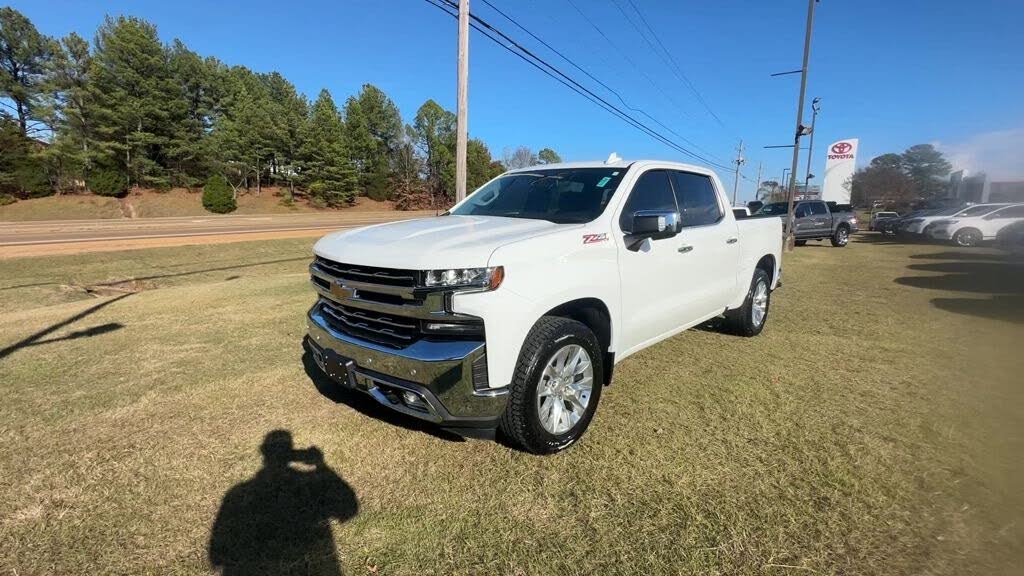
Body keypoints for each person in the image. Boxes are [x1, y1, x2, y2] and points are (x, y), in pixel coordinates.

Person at [209, 430, 358, 575]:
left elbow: (217, 555)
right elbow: (349, 508)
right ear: (291, 454)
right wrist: (321, 465)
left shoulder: (237, 494)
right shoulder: (307, 485)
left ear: (263, 452)